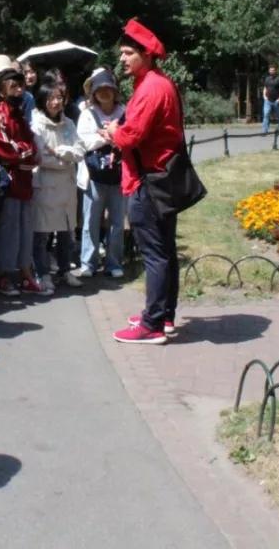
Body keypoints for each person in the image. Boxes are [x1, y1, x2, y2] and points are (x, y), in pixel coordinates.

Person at [100, 19, 184, 345]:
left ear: (146, 54)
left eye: (128, 53)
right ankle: (164, 316)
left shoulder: (150, 88)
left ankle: (152, 324)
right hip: (161, 179)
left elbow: (131, 136)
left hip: (148, 181)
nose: (122, 58)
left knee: (155, 254)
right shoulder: (158, 83)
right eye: (122, 53)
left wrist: (112, 132)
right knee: (165, 251)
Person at [0, 67, 49, 297]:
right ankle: (2, 275)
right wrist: (27, 153)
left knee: (25, 229)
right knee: (8, 229)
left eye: (21, 86)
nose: (20, 90)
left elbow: (31, 145)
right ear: (1, 91)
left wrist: (28, 153)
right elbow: (4, 149)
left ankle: (25, 273)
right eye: (14, 86)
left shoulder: (20, 115)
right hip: (10, 180)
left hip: (25, 179)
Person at [30, 81, 85, 292]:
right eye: (51, 98)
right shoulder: (36, 125)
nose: (56, 102)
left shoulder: (68, 123)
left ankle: (64, 270)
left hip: (67, 187)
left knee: (66, 232)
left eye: (59, 98)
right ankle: (42, 273)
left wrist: (62, 153)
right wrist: (65, 160)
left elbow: (80, 150)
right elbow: (41, 157)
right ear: (42, 101)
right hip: (46, 186)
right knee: (42, 233)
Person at [74, 70, 126, 278]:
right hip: (93, 175)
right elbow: (83, 142)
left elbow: (130, 136)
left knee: (117, 222)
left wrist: (111, 136)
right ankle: (88, 263)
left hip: (118, 174)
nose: (104, 93)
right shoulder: (87, 114)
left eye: (108, 89)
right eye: (100, 89)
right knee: (90, 221)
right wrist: (107, 137)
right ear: (93, 93)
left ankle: (114, 263)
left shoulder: (124, 112)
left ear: (115, 91)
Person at [262, 63, 279, 135]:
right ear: (269, 71)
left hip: (276, 101)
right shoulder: (267, 79)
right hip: (268, 101)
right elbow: (265, 88)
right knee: (266, 114)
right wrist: (264, 96)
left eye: (273, 70)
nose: (272, 71)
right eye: (270, 70)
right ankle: (265, 131)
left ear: (275, 71)